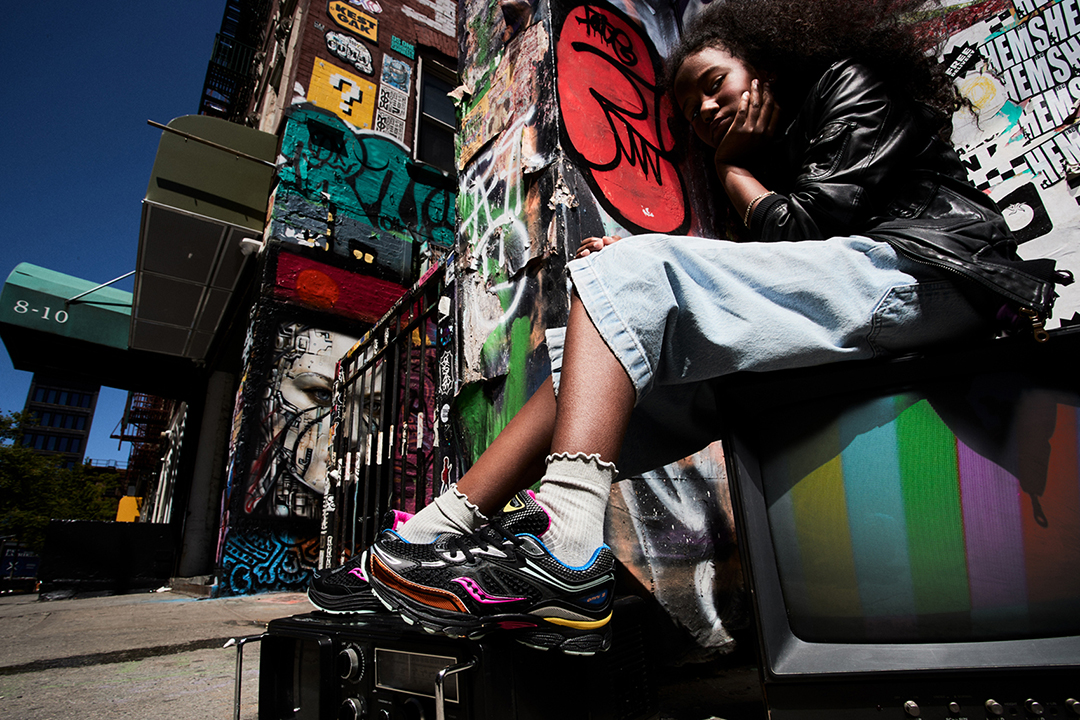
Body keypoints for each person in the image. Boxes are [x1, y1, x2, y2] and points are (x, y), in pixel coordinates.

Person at [308, 0, 1070, 653]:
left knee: (633, 278)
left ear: (762, 65)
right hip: (865, 304)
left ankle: (568, 549)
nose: (705, 113)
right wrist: (654, 260)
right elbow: (779, 272)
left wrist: (732, 170)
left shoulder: (847, 83)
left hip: (933, 276)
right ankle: (429, 536)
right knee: (597, 359)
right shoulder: (774, 150)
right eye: (693, 111)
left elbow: (805, 231)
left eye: (714, 84)